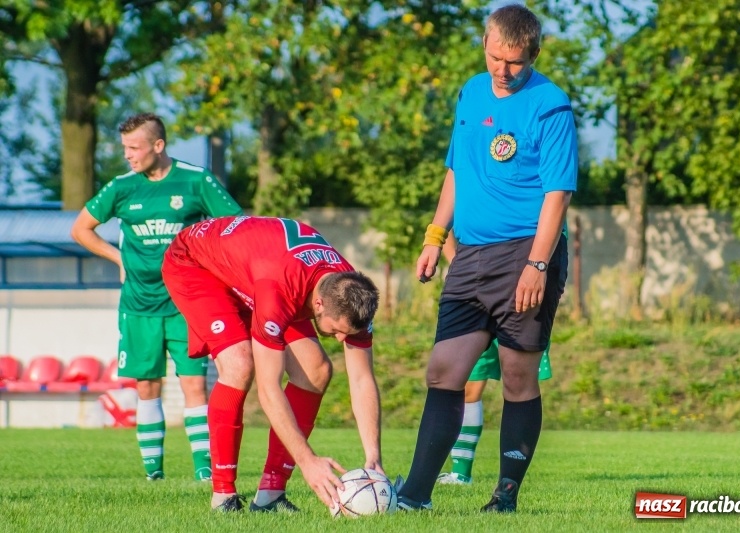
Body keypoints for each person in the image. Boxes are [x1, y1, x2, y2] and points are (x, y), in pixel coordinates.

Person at [397, 4, 577, 513]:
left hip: (526, 254)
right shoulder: (472, 92)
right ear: (484, 44)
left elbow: (558, 193)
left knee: (517, 377)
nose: (503, 70)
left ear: (534, 55)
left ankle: (505, 494)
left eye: (515, 62)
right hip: (470, 256)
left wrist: (537, 265)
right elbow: (457, 168)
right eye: (496, 57)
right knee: (444, 370)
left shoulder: (551, 106)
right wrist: (435, 235)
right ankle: (416, 495)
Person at [161, 215, 383, 512]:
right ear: (318, 304)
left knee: (316, 371)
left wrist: (374, 457)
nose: (343, 338)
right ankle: (223, 495)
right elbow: (268, 388)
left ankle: (270, 495)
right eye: (337, 330)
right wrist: (308, 462)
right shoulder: (277, 290)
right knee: (240, 364)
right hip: (194, 263)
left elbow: (362, 379)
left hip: (259, 268)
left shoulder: (350, 290)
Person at [71, 113, 243, 482]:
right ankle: (154, 476)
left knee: (194, 383)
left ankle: (204, 474)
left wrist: (213, 269)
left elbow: (234, 227)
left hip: (188, 304)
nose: (128, 156)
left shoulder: (196, 180)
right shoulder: (122, 187)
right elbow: (81, 228)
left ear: (158, 146)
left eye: (134, 148)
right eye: (125, 149)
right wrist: (119, 258)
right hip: (138, 305)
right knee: (147, 386)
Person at [436, 233, 557, 486]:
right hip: (477, 291)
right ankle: (461, 472)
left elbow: (556, 222)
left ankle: (508, 487)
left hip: (522, 290)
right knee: (467, 380)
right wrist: (461, 267)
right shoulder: (471, 196)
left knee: (518, 380)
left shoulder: (540, 197)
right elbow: (448, 221)